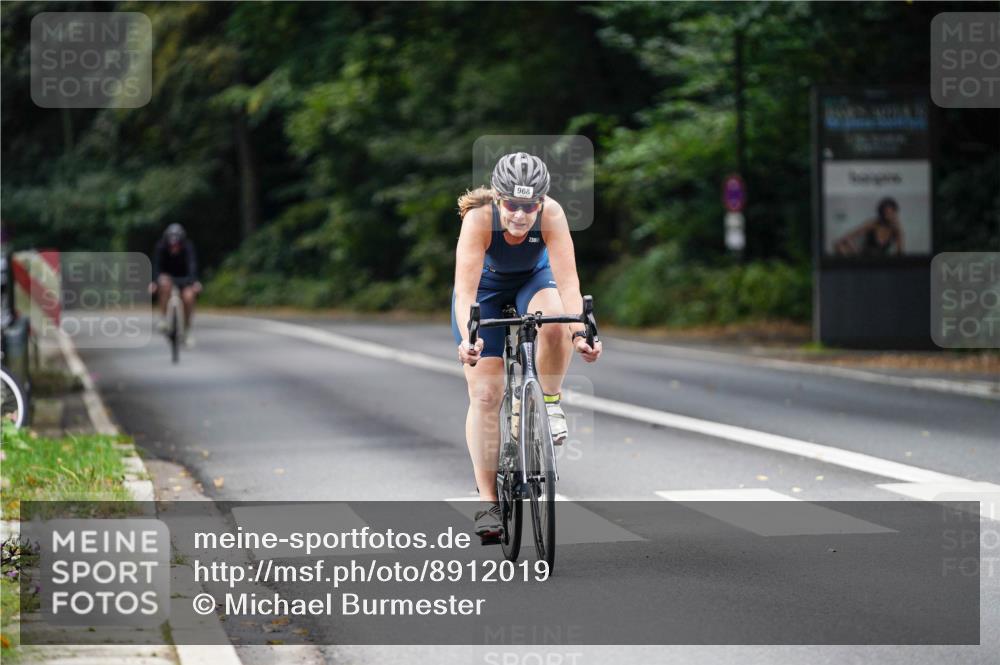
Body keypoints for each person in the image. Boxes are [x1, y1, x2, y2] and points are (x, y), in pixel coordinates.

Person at [452, 152, 602, 542]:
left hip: (533, 281)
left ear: (541, 202)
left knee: (555, 321)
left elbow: (569, 285)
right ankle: (488, 502)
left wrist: (580, 333)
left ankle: (548, 402)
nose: (520, 216)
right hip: (485, 291)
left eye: (530, 206)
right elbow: (464, 291)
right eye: (512, 206)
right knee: (486, 393)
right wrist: (469, 339)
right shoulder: (478, 219)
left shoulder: (551, 214)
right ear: (499, 199)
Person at [149, 223, 201, 346]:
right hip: (167, 278)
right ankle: (163, 318)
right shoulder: (161, 246)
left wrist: (194, 282)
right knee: (164, 284)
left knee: (189, 297)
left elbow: (192, 265)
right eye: (172, 245)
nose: (174, 247)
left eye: (177, 245)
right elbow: (156, 266)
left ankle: (187, 330)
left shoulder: (188, 247)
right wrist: (155, 282)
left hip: (185, 279)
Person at [833, 198, 905, 257]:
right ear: (881, 213)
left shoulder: (896, 229)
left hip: (882, 263)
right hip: (864, 258)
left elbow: (900, 252)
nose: (889, 216)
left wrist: (899, 230)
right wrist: (855, 251)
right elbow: (845, 238)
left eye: (892, 213)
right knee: (839, 246)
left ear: (895, 213)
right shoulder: (873, 224)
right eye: (886, 213)